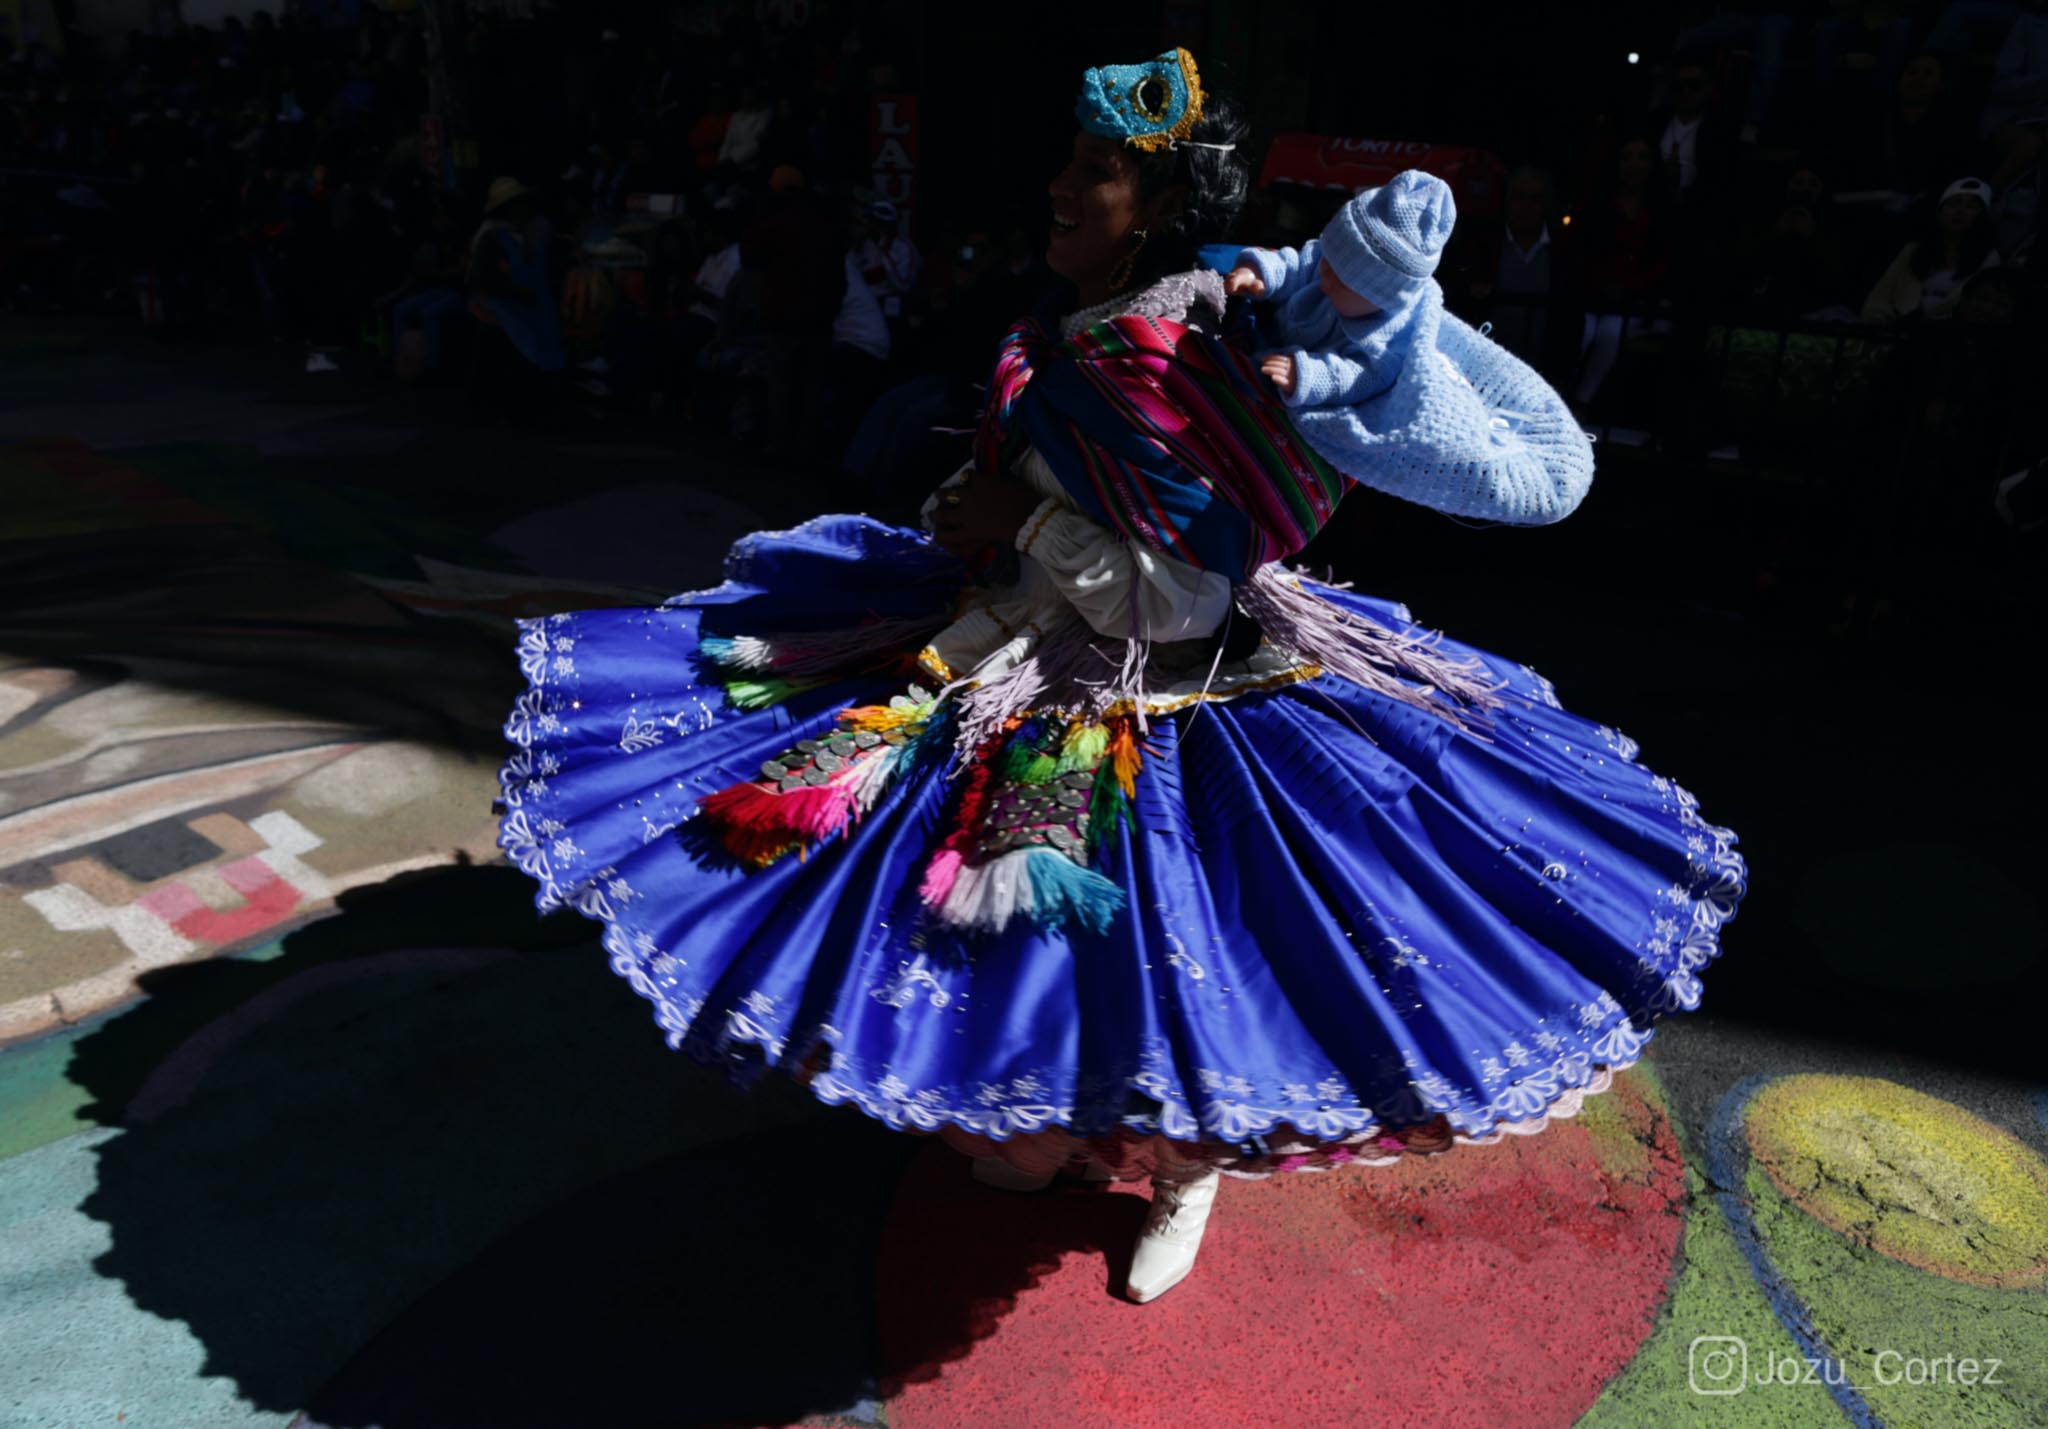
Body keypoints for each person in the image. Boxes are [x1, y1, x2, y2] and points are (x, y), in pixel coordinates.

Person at [498, 45, 1749, 1307]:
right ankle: (1048, 1131)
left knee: (1174, 950)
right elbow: (1034, 484)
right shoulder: (1084, 328)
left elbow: (1184, 591)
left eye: (1094, 170)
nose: (1059, 186)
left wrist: (1023, 521)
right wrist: (978, 509)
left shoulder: (1161, 352)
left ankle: (1182, 1171)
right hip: (1024, 644)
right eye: (1070, 159)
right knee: (1010, 950)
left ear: (1155, 207)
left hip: (1174, 685)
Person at [1225, 170, 1593, 526]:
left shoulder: (1391, 339)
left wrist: (1307, 374)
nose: (1325, 275)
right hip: (1282, 327)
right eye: (1329, 261)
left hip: (1315, 360)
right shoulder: (1327, 265)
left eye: (1342, 277)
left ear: (1381, 298)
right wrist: (1262, 272)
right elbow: (1300, 263)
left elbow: (1360, 376)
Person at [1862, 175, 2002, 323]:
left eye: (1971, 207)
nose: (1960, 211)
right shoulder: (1913, 250)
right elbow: (1879, 297)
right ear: (1940, 213)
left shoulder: (1990, 258)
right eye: (1953, 204)